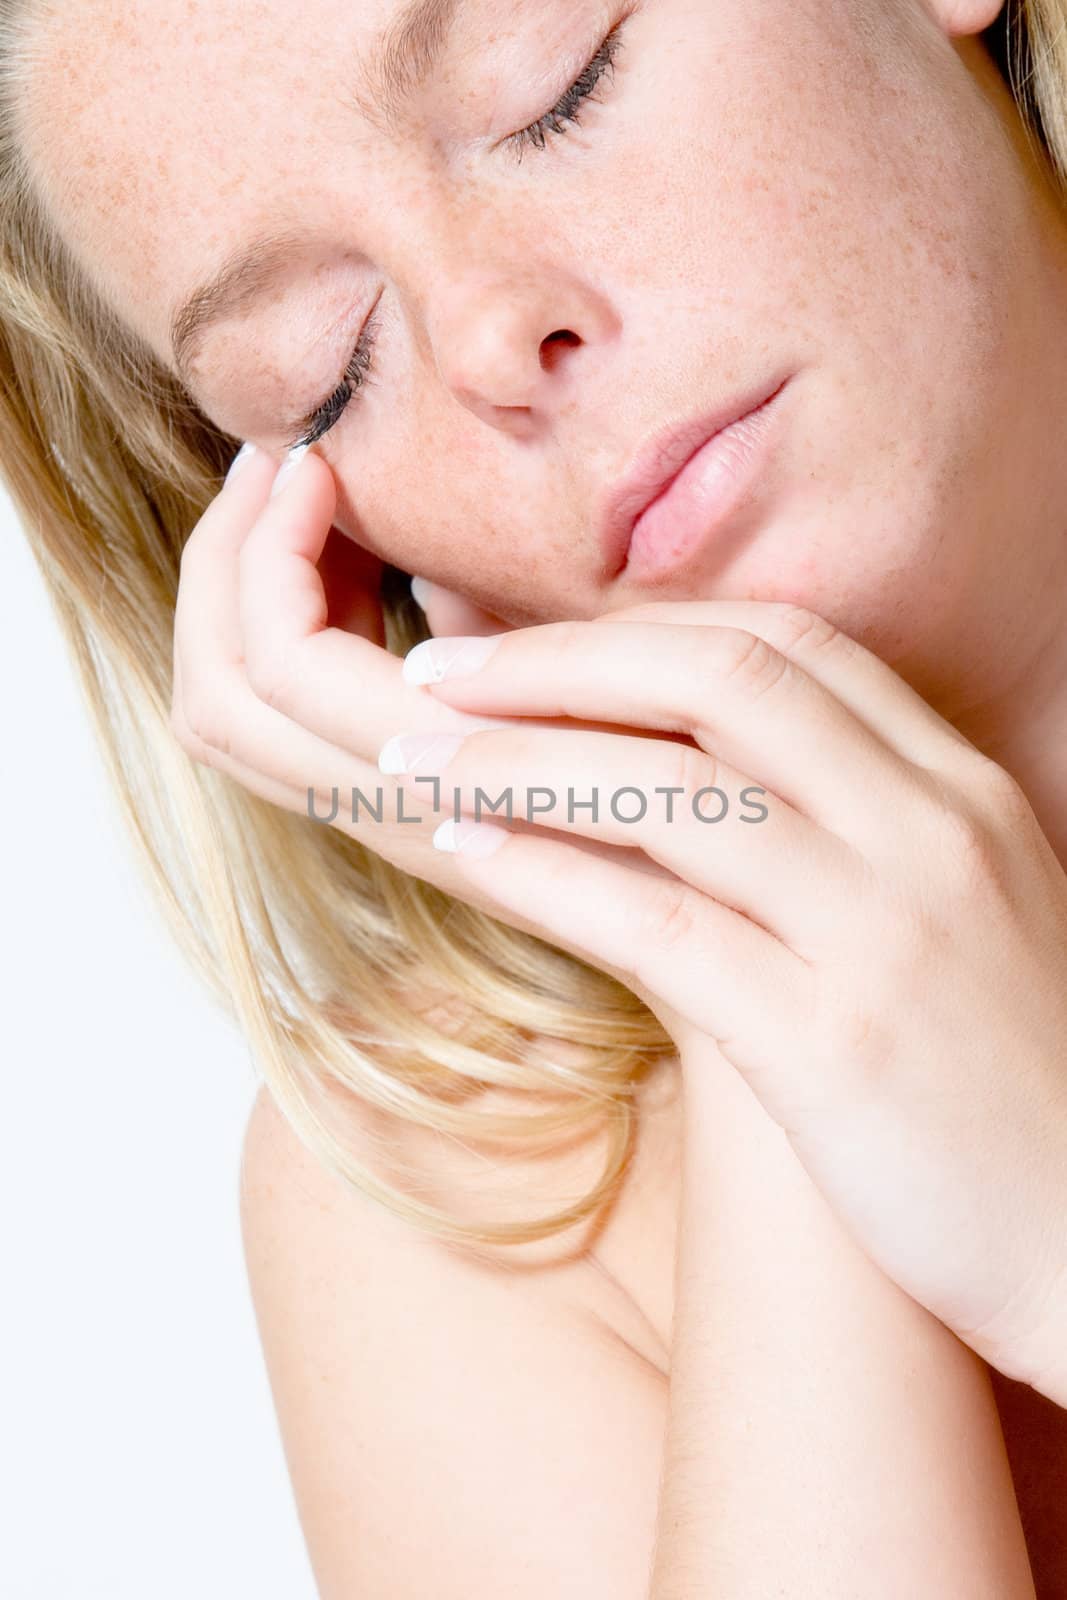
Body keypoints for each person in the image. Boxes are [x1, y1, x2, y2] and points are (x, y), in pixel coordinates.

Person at [4, 0, 1067, 1589]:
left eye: (556, 90)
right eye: (329, 375)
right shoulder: (463, 1204)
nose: (490, 340)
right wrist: (734, 917)